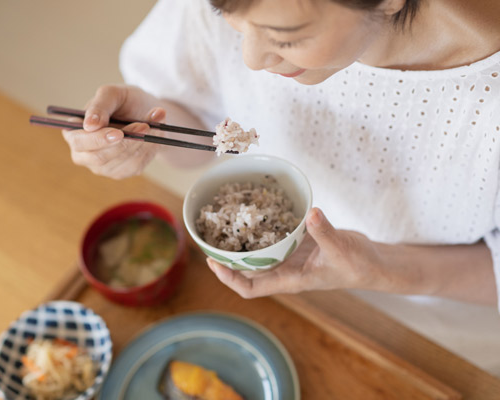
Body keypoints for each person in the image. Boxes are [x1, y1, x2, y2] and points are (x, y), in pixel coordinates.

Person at [61, 0, 500, 373]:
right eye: (227, 17)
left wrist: (380, 268)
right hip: (279, 301)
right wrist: (150, 129)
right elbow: (200, 135)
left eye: (285, 37)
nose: (251, 57)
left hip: (438, 338)